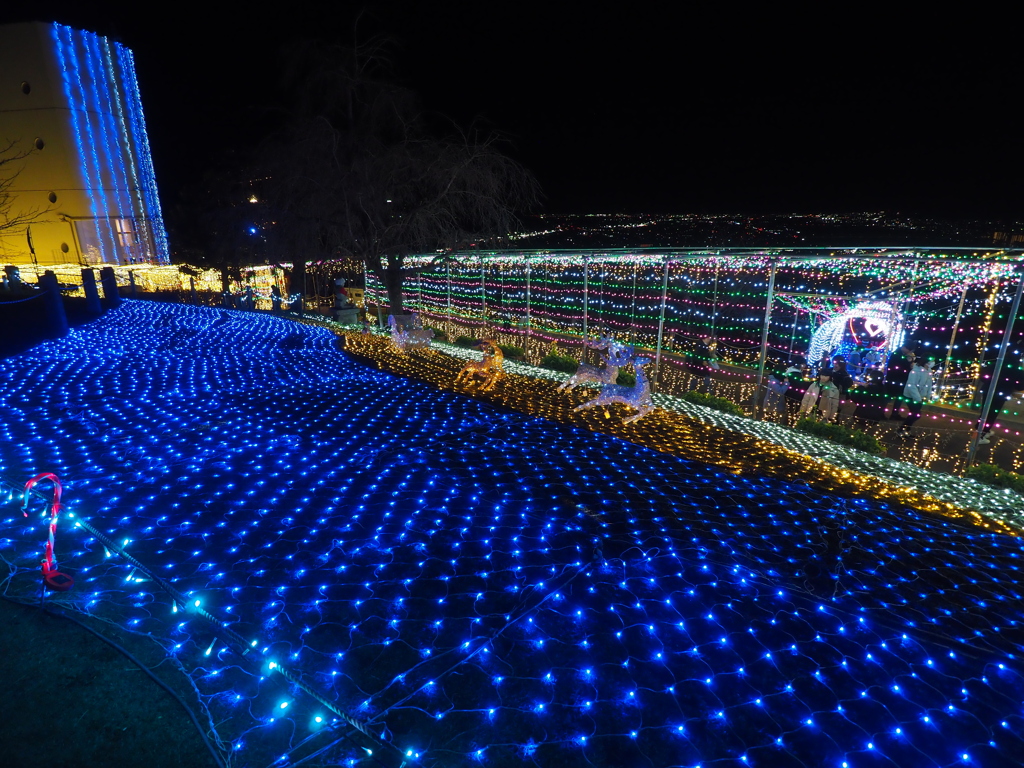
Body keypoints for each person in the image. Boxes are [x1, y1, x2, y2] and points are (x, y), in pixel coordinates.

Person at [898, 358, 934, 436]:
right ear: (926, 362)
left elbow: (929, 385)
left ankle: (906, 430)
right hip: (911, 396)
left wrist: (928, 396)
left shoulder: (929, 371)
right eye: (931, 360)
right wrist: (918, 398)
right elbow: (911, 385)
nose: (933, 362)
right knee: (916, 414)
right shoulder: (915, 371)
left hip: (920, 396)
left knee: (914, 414)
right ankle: (902, 430)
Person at [883, 345, 916, 419]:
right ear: (905, 347)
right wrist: (909, 361)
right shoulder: (897, 355)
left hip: (898, 379)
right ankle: (884, 413)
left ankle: (894, 413)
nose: (910, 352)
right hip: (895, 379)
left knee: (897, 397)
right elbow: (902, 366)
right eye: (909, 350)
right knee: (890, 397)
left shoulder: (900, 354)